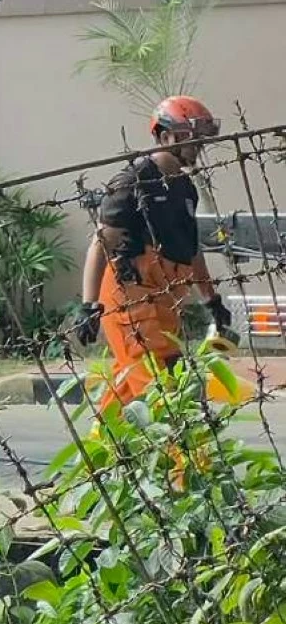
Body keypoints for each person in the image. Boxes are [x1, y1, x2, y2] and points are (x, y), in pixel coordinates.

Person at [76, 95, 233, 407]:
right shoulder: (133, 182)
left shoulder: (184, 187)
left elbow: (191, 249)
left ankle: (107, 439)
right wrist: (89, 306)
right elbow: (101, 243)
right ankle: (178, 443)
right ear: (166, 137)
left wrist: (211, 300)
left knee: (130, 389)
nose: (199, 146)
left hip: (165, 301)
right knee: (163, 392)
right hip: (130, 301)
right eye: (192, 138)